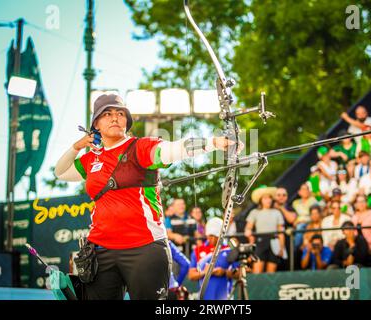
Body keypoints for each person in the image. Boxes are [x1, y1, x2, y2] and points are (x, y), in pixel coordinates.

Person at [54, 93, 238, 300]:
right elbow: (60, 172)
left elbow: (173, 149)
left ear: (127, 120)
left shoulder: (140, 147)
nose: (114, 118)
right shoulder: (91, 159)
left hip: (143, 247)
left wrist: (213, 142)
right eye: (107, 114)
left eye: (120, 113)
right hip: (101, 248)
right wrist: (77, 146)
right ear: (95, 124)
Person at [188, 217, 239, 300]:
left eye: (214, 235)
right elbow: (191, 275)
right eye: (209, 235)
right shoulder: (198, 250)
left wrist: (224, 272)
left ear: (220, 235)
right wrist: (205, 273)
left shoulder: (230, 249)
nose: (210, 238)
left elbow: (240, 274)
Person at [244, 186, 286, 273]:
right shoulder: (254, 212)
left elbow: (281, 232)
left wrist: (281, 248)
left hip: (274, 242)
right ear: (260, 200)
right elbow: (248, 228)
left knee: (271, 273)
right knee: (257, 271)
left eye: (270, 198)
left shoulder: (277, 212)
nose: (268, 200)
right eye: (265, 198)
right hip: (260, 242)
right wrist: (249, 236)